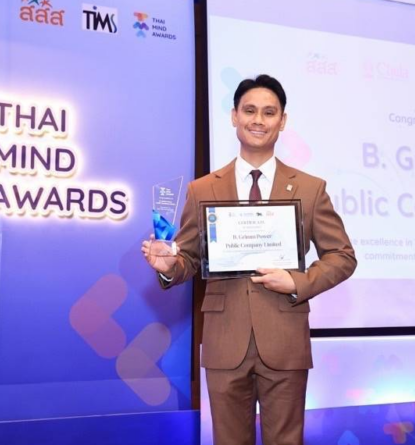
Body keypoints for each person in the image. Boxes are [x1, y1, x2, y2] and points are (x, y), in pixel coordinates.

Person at [142, 74, 356, 445]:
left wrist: (298, 282)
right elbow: (188, 256)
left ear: (282, 121)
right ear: (234, 116)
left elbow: (342, 256)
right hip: (225, 341)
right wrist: (169, 268)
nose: (259, 120)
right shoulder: (202, 189)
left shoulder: (310, 189)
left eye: (269, 113)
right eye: (250, 111)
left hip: (285, 339)